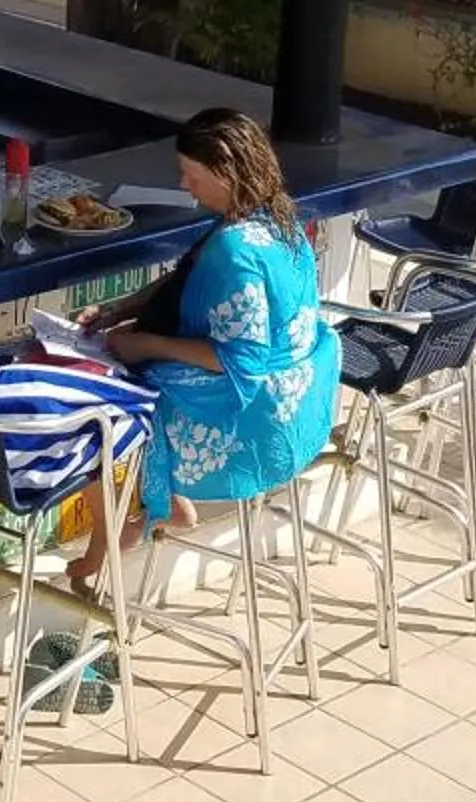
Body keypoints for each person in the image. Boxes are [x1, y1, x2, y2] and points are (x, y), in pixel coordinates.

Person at [65, 106, 340, 589]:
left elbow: (239, 362)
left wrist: (145, 344)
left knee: (90, 402)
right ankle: (160, 500)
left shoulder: (235, 251)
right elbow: (183, 281)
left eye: (192, 175)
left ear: (226, 170)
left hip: (248, 412)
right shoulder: (276, 217)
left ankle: (121, 526)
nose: (185, 185)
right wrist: (116, 311)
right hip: (299, 395)